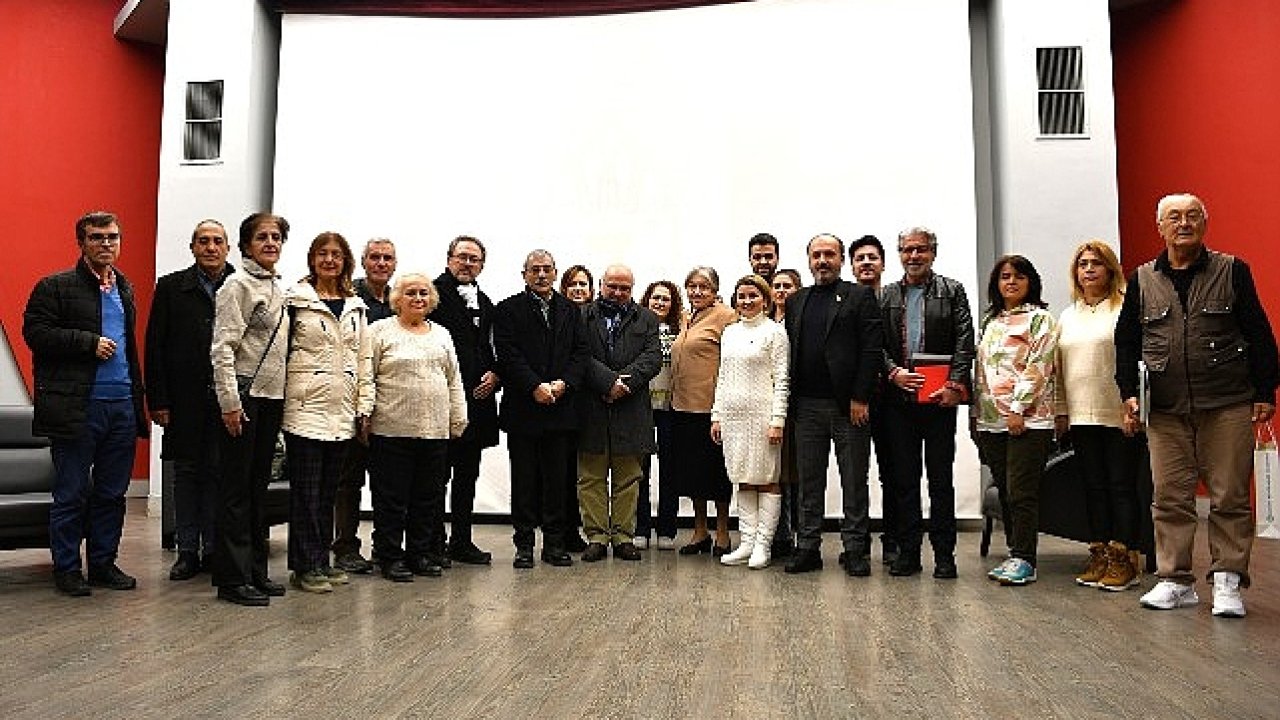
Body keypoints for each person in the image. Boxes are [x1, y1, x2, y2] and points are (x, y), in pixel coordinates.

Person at [1116, 193, 1278, 617]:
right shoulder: (1142, 278)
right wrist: (1128, 393)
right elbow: (1126, 341)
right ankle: (1174, 580)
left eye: (1192, 216)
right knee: (1169, 496)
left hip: (1227, 403)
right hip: (1164, 409)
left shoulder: (1232, 271)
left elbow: (1259, 333)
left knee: (1228, 496)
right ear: (1161, 227)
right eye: (1174, 217)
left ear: (1204, 224)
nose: (1183, 223)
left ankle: (1227, 581)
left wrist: (1265, 392)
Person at [22, 210, 148, 597]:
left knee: (112, 493)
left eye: (112, 237)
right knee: (72, 492)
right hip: (79, 406)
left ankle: (103, 564)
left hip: (123, 405)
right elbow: (35, 333)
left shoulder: (124, 288)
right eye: (96, 237)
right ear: (81, 243)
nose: (105, 244)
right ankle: (67, 568)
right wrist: (86, 342)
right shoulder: (54, 287)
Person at [782, 234, 883, 575]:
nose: (822, 260)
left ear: (841, 259)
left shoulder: (859, 296)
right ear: (808, 260)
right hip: (806, 408)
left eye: (829, 254)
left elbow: (871, 351)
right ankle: (807, 546)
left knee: (854, 481)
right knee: (809, 483)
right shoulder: (797, 300)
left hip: (847, 408)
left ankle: (855, 550)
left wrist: (860, 397)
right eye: (816, 255)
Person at [879, 227, 975, 579]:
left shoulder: (952, 291)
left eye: (920, 250)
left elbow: (966, 341)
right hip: (899, 403)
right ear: (900, 254)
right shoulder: (886, 295)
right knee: (904, 480)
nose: (913, 256)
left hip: (938, 403)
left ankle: (945, 556)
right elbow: (876, 345)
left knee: (940, 480)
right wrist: (893, 374)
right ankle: (908, 553)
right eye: (907, 250)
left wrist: (954, 385)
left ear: (933, 252)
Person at [281, 232, 371, 594]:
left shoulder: (356, 306)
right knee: (306, 492)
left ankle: (321, 560)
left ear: (345, 260)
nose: (329, 260)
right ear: (312, 259)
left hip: (342, 411)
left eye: (336, 254)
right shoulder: (296, 301)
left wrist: (363, 407)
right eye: (322, 254)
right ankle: (304, 566)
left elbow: (362, 359)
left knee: (328, 492)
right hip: (305, 410)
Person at [146, 219, 235, 581]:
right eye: (203, 241)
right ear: (192, 247)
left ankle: (214, 549)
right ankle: (186, 551)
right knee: (185, 474)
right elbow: (155, 346)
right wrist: (159, 399)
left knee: (219, 474)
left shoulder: (240, 286)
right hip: (183, 401)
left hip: (229, 401)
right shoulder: (170, 287)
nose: (210, 247)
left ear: (228, 248)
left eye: (217, 241)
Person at [363, 274, 468, 582]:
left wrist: (457, 418)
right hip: (390, 431)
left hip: (434, 431)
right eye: (410, 292)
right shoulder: (379, 331)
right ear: (397, 298)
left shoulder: (442, 334)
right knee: (391, 500)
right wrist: (364, 415)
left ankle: (419, 554)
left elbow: (453, 379)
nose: (418, 298)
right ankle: (390, 556)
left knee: (428, 498)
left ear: (432, 299)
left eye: (423, 293)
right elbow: (366, 376)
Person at [209, 212, 291, 606]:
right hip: (242, 400)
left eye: (276, 237)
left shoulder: (280, 287)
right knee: (236, 492)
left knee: (259, 490)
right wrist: (229, 402)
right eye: (262, 237)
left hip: (272, 400)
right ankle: (232, 578)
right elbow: (222, 347)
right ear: (246, 245)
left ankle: (256, 571)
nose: (271, 243)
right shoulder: (235, 285)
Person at [1054, 240, 1144, 591]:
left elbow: (1135, 361)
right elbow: (1058, 370)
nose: (1089, 269)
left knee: (1121, 486)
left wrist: (1132, 405)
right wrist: (1061, 411)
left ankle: (1125, 558)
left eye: (1096, 263)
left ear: (1110, 269)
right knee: (1092, 488)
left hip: (1118, 413)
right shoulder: (1069, 314)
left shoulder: (1124, 308)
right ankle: (1100, 552)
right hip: (1080, 414)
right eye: (1082, 264)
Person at [493, 250, 588, 569]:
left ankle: (555, 544)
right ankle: (524, 544)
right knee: (524, 481)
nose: (542, 275)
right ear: (524, 274)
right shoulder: (507, 310)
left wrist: (563, 384)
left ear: (555, 272)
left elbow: (580, 353)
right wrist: (534, 386)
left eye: (547, 269)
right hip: (524, 409)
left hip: (561, 409)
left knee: (558, 481)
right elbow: (508, 355)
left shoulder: (571, 311)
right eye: (535, 270)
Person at [975, 255, 1057, 587]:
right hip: (990, 422)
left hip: (1026, 420)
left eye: (1019, 276)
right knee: (1006, 490)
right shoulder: (991, 321)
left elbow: (1038, 367)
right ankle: (1013, 553)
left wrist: (1018, 409)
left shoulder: (1041, 320)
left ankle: (1026, 558)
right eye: (1005, 276)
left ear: (1031, 282)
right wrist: (976, 415)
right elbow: (982, 372)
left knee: (1022, 491)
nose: (1011, 282)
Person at [576, 265, 662, 562]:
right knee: (591, 478)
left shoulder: (647, 319)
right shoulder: (582, 316)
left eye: (624, 288)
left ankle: (624, 537)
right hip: (592, 408)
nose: (617, 292)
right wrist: (607, 382)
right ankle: (597, 537)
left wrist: (623, 383)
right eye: (612, 286)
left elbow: (653, 358)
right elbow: (579, 355)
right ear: (601, 285)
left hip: (631, 407)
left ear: (632, 289)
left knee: (629, 478)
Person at [430, 236, 500, 566]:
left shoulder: (485, 302)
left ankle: (461, 540)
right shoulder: (430, 294)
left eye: (474, 259)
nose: (467, 264)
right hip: (441, 402)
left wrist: (495, 374)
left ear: (482, 265)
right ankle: (432, 542)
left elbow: (490, 348)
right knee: (436, 476)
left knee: (467, 476)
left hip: (478, 403)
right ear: (449, 259)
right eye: (462, 257)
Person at [714, 274, 790, 569]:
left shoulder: (775, 333)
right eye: (742, 296)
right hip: (733, 418)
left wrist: (777, 420)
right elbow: (722, 376)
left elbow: (782, 379)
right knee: (742, 478)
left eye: (753, 296)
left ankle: (763, 545)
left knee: (767, 479)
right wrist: (716, 415)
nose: (747, 301)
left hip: (763, 416)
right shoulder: (729, 332)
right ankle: (746, 543)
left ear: (765, 300)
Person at [332, 237, 397, 574]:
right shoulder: (348, 298)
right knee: (349, 481)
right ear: (363, 261)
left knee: (386, 482)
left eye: (387, 258)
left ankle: (386, 547)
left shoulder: (400, 301)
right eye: (375, 257)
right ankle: (345, 547)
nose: (381, 263)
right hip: (352, 402)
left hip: (390, 405)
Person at [670, 266, 738, 556]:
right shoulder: (685, 317)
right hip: (682, 407)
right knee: (692, 473)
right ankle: (700, 531)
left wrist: (721, 408)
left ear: (715, 291)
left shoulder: (727, 317)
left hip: (711, 410)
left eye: (704, 287)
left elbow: (733, 362)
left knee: (716, 473)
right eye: (692, 287)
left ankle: (722, 531)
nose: (697, 292)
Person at [849, 234, 902, 568]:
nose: (866, 263)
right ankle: (858, 545)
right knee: (856, 474)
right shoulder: (845, 300)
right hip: (855, 401)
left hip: (891, 399)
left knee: (892, 473)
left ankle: (894, 541)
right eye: (860, 258)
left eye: (872, 257)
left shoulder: (897, 298)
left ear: (883, 262)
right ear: (851, 265)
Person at [635, 280, 683, 550]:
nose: (660, 303)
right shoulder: (638, 328)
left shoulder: (680, 330)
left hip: (671, 410)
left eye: (666, 299)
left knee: (670, 471)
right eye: (656, 298)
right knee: (639, 471)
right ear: (647, 299)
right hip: (641, 409)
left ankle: (667, 529)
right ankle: (640, 527)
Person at [558, 262, 594, 552]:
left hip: (592, 402)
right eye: (573, 284)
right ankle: (566, 530)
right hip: (565, 403)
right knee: (565, 472)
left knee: (588, 473)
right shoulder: (559, 316)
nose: (578, 289)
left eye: (583, 284)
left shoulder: (595, 317)